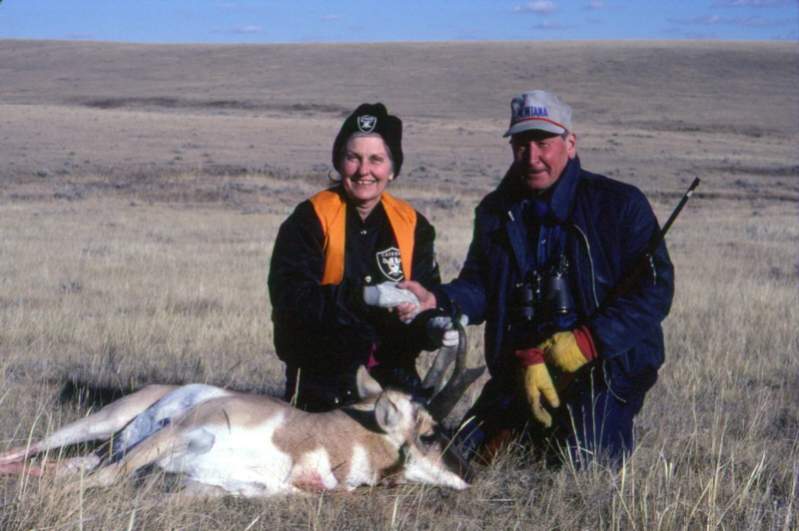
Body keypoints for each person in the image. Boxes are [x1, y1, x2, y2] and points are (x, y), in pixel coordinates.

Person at [399, 90, 674, 465]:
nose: (532, 157)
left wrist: (589, 342)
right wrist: (439, 300)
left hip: (603, 368)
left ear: (570, 143)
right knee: (457, 456)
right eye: (521, 144)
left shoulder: (620, 204)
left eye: (543, 143)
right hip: (521, 365)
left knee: (584, 464)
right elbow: (480, 286)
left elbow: (655, 290)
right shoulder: (496, 211)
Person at [268, 102, 441, 412]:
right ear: (339, 163)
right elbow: (290, 300)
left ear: (393, 169)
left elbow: (427, 296)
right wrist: (366, 297)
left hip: (394, 376)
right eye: (353, 158)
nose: (364, 171)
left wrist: (433, 324)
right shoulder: (309, 219)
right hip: (323, 378)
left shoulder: (414, 226)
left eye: (377, 159)